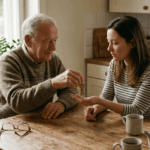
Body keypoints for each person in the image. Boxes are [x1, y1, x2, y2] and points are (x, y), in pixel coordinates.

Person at [0, 13, 83, 119]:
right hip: (9, 126)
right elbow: (17, 102)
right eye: (47, 41)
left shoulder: (53, 59)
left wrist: (61, 104)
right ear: (28, 41)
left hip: (40, 122)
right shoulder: (8, 61)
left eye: (55, 40)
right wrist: (53, 83)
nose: (53, 47)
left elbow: (71, 90)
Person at [72, 16, 150, 120]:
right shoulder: (115, 64)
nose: (109, 48)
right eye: (109, 42)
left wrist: (98, 101)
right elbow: (106, 96)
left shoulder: (148, 71)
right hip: (125, 124)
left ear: (133, 43)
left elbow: (136, 110)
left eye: (115, 43)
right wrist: (95, 108)